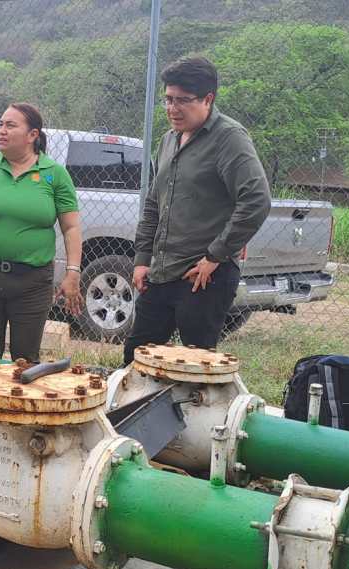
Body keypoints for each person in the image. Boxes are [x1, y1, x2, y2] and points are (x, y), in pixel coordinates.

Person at [123, 56, 270, 364]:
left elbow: (256, 200)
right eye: (167, 100)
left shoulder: (229, 138)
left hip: (202, 277)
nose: (172, 109)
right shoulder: (168, 140)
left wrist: (215, 256)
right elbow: (153, 204)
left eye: (182, 101)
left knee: (195, 368)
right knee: (137, 360)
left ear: (208, 99)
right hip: (160, 273)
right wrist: (141, 259)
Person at [0, 103, 83, 363]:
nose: (1, 131)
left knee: (26, 359)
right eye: (0, 124)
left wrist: (73, 272)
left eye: (10, 125)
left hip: (32, 283)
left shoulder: (55, 174)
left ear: (32, 135)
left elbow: (71, 227)